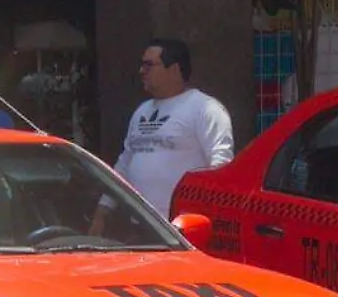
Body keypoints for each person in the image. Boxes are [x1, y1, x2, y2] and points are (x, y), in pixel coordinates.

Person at [92, 37, 235, 228]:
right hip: (140, 227)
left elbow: (221, 166)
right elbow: (124, 166)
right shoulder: (141, 111)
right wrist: (103, 211)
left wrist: (206, 215)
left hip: (184, 227)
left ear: (174, 69)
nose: (141, 71)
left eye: (149, 65)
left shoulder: (205, 109)